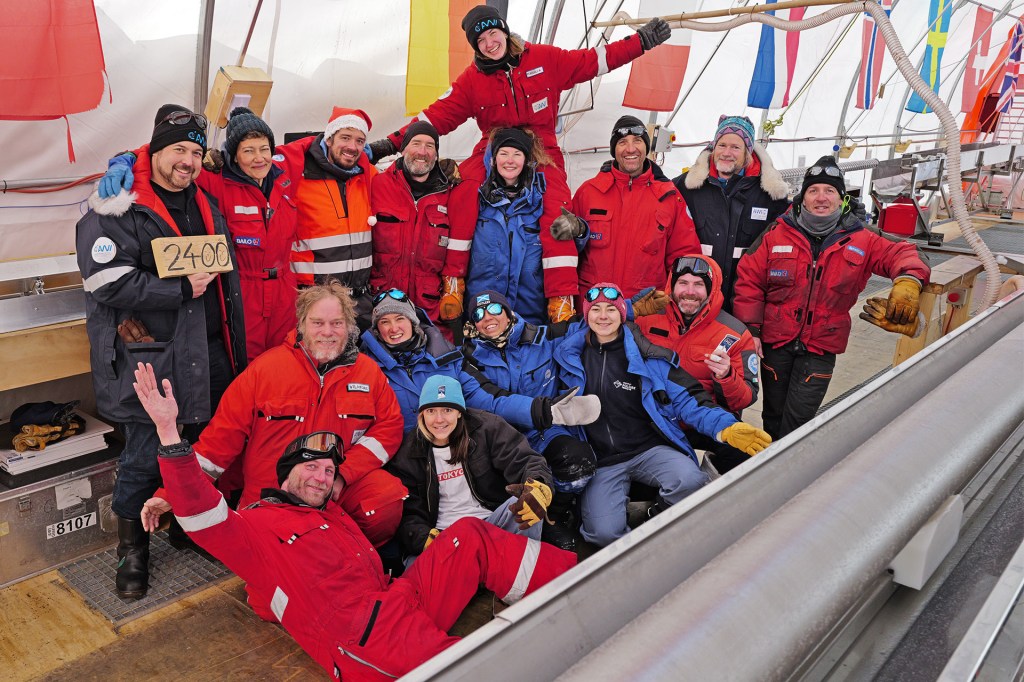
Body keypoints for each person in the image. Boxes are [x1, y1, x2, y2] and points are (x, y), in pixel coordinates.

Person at [131, 362, 575, 681]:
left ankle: (581, 584)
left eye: (328, 471)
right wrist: (170, 438)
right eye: (310, 467)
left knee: (470, 536)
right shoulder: (257, 524)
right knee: (476, 665)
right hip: (367, 638)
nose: (322, 476)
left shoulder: (330, 513)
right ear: (285, 475)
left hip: (400, 596)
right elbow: (204, 518)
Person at [370, 5, 673, 322]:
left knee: (557, 208)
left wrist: (641, 41)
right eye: (481, 41)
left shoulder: (543, 59)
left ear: (503, 30)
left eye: (492, 33)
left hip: (541, 145)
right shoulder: (472, 81)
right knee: (464, 190)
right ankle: (453, 283)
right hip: (493, 144)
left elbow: (594, 61)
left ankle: (560, 300)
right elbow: (434, 119)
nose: (489, 43)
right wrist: (386, 145)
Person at [77, 104, 247, 599]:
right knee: (144, 455)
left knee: (195, 445)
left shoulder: (204, 200)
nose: (188, 161)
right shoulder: (117, 203)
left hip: (206, 350)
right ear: (153, 150)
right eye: (178, 150)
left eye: (196, 152)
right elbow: (104, 280)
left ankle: (181, 522)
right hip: (146, 356)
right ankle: (131, 548)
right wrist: (176, 290)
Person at [180, 280, 406, 555]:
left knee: (385, 497)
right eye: (317, 323)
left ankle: (351, 557)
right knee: (275, 578)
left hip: (333, 491)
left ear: (349, 326)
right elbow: (217, 444)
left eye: (336, 323)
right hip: (273, 499)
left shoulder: (368, 374)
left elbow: (389, 427)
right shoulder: (264, 371)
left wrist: (344, 473)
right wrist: (171, 494)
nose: (327, 332)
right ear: (301, 324)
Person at [553, 283, 772, 547]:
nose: (603, 316)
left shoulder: (649, 357)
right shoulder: (568, 358)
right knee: (603, 533)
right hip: (602, 459)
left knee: (691, 481)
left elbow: (690, 400)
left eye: (611, 309)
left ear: (622, 313)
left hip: (648, 448)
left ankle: (654, 519)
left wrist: (726, 427)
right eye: (595, 309)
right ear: (586, 315)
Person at [733, 156, 930, 439]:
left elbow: (907, 253)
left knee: (798, 422)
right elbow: (749, 280)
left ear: (841, 199)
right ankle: (771, 470)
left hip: (821, 347)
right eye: (813, 190)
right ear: (803, 196)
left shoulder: (863, 238)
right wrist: (751, 330)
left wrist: (909, 281)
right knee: (773, 416)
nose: (821, 197)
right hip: (776, 343)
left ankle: (788, 472)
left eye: (829, 191)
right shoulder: (777, 232)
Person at [461, 290, 599, 551]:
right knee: (506, 489)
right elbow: (489, 400)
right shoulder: (467, 358)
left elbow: (592, 319)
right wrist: (545, 410)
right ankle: (532, 530)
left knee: (579, 462)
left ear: (508, 312)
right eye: (478, 314)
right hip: (503, 443)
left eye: (494, 309)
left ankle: (555, 514)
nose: (486, 318)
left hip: (545, 433)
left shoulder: (542, 338)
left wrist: (631, 306)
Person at [360, 288, 599, 434]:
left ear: (412, 321)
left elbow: (489, 400)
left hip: (449, 452)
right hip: (398, 456)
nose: (393, 328)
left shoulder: (449, 359)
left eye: (399, 318)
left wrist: (545, 411)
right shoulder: (365, 368)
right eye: (384, 322)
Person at [389, 375, 555, 562]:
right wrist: (422, 538)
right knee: (413, 569)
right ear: (421, 414)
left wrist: (540, 485)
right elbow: (407, 510)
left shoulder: (487, 427)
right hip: (445, 535)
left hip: (492, 522)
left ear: (460, 411)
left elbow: (524, 460)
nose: (439, 419)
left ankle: (520, 575)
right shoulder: (409, 452)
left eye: (447, 410)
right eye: (431, 411)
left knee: (528, 504)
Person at [637, 254, 760, 474]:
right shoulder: (646, 319)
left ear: (712, 289)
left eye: (699, 284)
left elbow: (747, 397)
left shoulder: (735, 333)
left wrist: (726, 377)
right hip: (652, 423)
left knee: (745, 452)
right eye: (682, 283)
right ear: (672, 285)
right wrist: (630, 310)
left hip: (701, 422)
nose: (690, 292)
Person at [467, 127, 589, 324]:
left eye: (517, 154)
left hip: (530, 319)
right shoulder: (477, 203)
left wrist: (579, 230)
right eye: (503, 153)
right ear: (493, 159)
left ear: (526, 161)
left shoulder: (541, 205)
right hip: (483, 317)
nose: (510, 160)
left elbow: (566, 247)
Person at [573, 115, 701, 299]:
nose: (630, 149)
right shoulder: (588, 192)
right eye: (622, 142)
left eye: (638, 141)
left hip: (645, 308)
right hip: (595, 307)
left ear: (646, 147)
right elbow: (567, 250)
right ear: (613, 149)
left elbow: (684, 259)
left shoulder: (669, 197)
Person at [675, 115, 790, 310]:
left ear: (748, 153)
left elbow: (797, 227)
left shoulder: (770, 194)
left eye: (736, 147)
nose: (727, 153)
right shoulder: (686, 186)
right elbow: (653, 202)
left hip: (743, 301)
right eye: (722, 145)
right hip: (695, 300)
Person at [274, 107, 379, 321]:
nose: (352, 147)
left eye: (360, 141)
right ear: (329, 139)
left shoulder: (368, 176)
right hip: (313, 301)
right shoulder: (299, 176)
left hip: (360, 302)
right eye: (345, 137)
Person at [369, 121, 463, 334]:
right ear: (402, 149)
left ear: (437, 153)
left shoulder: (451, 193)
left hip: (430, 312)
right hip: (384, 306)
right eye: (416, 143)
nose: (422, 152)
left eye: (430, 146)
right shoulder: (376, 185)